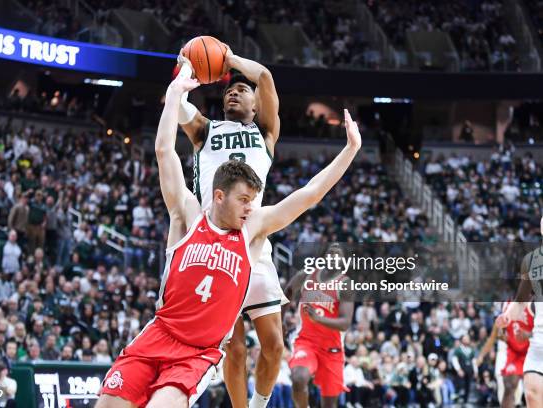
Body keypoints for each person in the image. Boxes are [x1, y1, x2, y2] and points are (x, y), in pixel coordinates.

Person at [96, 69, 361, 408]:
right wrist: (176, 89)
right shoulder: (188, 214)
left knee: (269, 345)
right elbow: (164, 151)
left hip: (197, 350)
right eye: (244, 200)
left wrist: (351, 149)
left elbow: (310, 193)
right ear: (219, 196)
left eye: (254, 199)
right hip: (158, 334)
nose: (251, 206)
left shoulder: (253, 226)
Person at [177, 44, 286, 408]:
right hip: (212, 246)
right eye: (228, 90)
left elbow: (266, 78)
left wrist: (229, 60)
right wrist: (183, 76)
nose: (234, 92)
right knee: (233, 349)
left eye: (242, 90)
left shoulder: (265, 134)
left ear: (255, 106)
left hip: (253, 241)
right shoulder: (204, 130)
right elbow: (176, 108)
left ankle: (259, 403)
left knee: (274, 344)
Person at [286, 243, 355, 408]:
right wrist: (280, 321)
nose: (332, 256)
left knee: (329, 405)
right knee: (298, 378)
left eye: (337, 254)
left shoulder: (345, 284)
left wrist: (318, 318)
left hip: (332, 349)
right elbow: (286, 292)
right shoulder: (307, 275)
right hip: (306, 342)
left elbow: (345, 323)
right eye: (330, 252)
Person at [498, 215, 543, 407]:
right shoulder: (533, 260)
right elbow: (521, 301)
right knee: (532, 393)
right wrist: (507, 316)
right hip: (539, 342)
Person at [477, 302, 532, 407]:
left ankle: (516, 403)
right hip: (504, 352)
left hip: (520, 352)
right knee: (502, 382)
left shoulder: (525, 314)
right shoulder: (501, 319)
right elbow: (493, 337)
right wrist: (482, 354)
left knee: (519, 385)